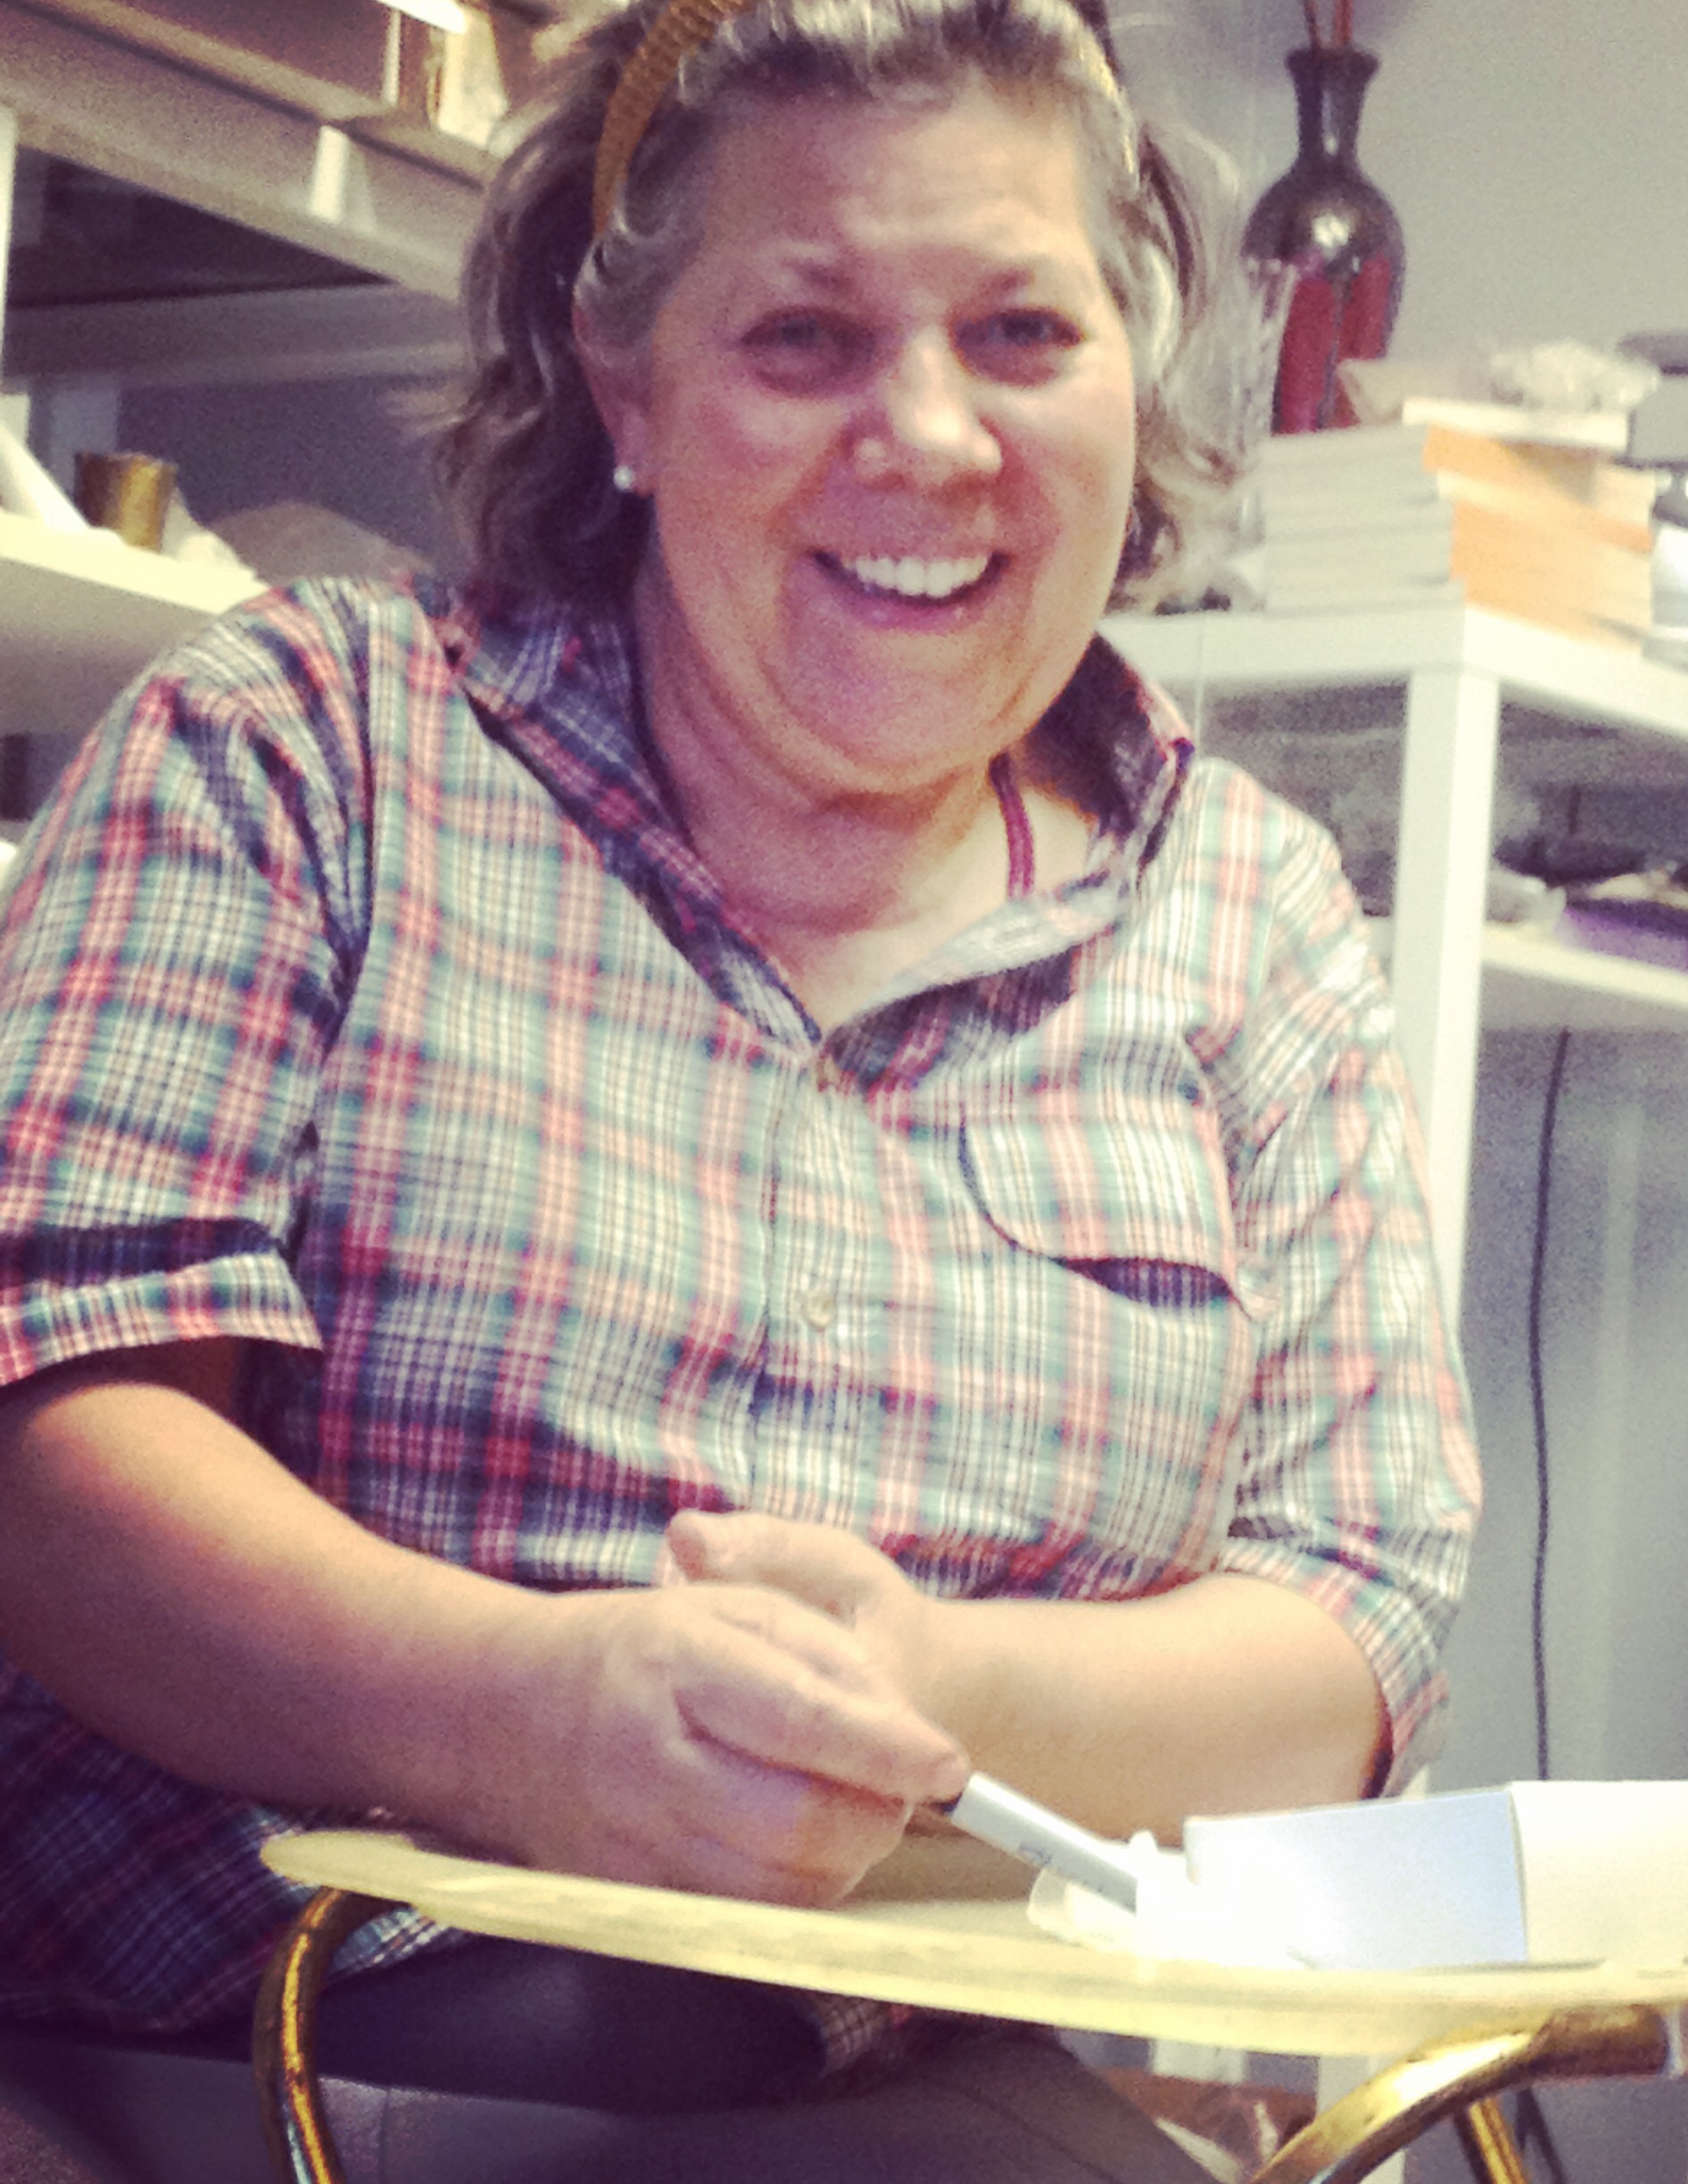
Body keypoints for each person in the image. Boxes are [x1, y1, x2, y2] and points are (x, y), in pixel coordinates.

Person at [0, 0, 1479, 2175]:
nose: (931, 437)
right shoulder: (303, 747)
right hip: (226, 2067)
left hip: (902, 2087)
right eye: (804, 338)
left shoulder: (1251, 913)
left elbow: (1354, 1622)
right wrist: (520, 1713)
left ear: (1129, 371)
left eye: (1020, 332)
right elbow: (52, 1452)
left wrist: (938, 1699)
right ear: (625, 387)